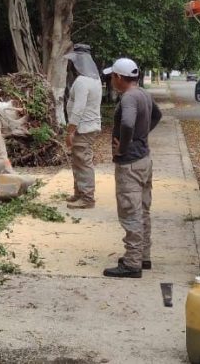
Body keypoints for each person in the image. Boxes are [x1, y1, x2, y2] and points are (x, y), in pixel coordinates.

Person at [101, 58, 162, 278]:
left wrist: (123, 148)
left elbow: (127, 123)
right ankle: (143, 256)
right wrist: (142, 136)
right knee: (143, 210)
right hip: (144, 161)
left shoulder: (128, 98)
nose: (110, 81)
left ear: (118, 77)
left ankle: (132, 263)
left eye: (112, 77)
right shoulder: (144, 94)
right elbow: (157, 115)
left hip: (130, 164)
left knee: (130, 212)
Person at [64, 44, 103, 209]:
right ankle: (79, 193)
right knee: (79, 160)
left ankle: (87, 198)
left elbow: (78, 109)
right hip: (90, 125)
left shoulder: (81, 81)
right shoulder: (95, 79)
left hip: (82, 128)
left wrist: (70, 131)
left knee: (83, 161)